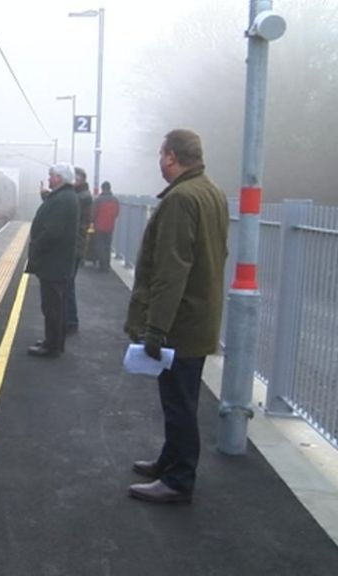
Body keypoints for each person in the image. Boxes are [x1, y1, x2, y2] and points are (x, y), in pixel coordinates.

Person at [124, 129, 229, 504]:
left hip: (180, 324)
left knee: (179, 402)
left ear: (171, 156)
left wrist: (156, 328)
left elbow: (172, 269)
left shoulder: (181, 199)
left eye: (160, 154)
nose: (159, 161)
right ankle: (170, 461)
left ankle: (179, 478)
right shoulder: (211, 192)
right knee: (180, 399)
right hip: (198, 316)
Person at [25, 163, 79, 358]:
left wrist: (37, 245)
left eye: (51, 176)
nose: (49, 179)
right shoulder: (65, 196)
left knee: (52, 307)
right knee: (55, 305)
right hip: (58, 262)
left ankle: (52, 346)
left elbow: (54, 231)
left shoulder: (63, 199)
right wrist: (45, 196)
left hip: (54, 263)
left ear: (59, 178)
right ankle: (53, 341)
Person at [65, 167, 92, 334]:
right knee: (68, 284)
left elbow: (68, 214)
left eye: (74, 178)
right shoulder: (81, 195)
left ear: (81, 179)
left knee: (68, 285)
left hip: (74, 246)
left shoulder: (81, 197)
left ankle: (70, 321)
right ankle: (70, 320)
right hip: (77, 245)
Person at [92, 181, 120, 272]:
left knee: (100, 245)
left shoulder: (99, 200)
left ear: (102, 188)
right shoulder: (115, 200)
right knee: (107, 245)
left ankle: (102, 264)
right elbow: (116, 213)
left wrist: (92, 221)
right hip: (110, 226)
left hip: (99, 225)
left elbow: (94, 213)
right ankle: (107, 264)